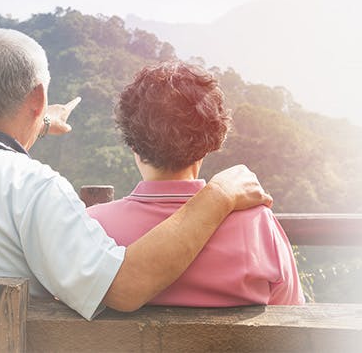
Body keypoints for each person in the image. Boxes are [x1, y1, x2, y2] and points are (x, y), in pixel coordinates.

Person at [0, 28, 272, 319]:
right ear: (38, 98)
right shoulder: (37, 188)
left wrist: (39, 122)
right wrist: (219, 195)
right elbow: (123, 289)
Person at [86, 61, 304, 306]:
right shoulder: (258, 226)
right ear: (212, 140)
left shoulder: (92, 227)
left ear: (132, 142)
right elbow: (291, 316)